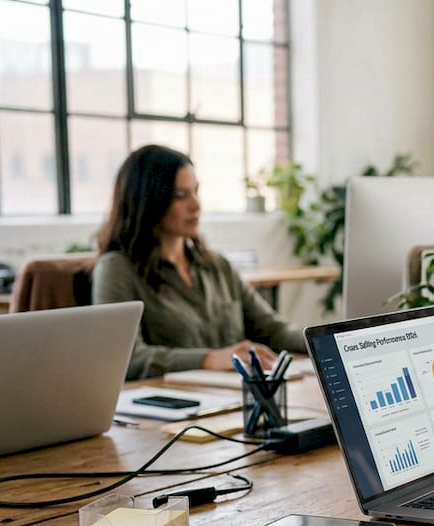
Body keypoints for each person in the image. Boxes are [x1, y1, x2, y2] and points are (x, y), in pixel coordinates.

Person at [92, 145, 306, 381]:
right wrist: (210, 359)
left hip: (235, 397)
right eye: (180, 196)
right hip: (177, 405)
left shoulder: (217, 266)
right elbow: (127, 358)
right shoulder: (117, 269)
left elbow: (275, 330)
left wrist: (326, 340)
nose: (196, 205)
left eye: (196, 191)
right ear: (147, 200)